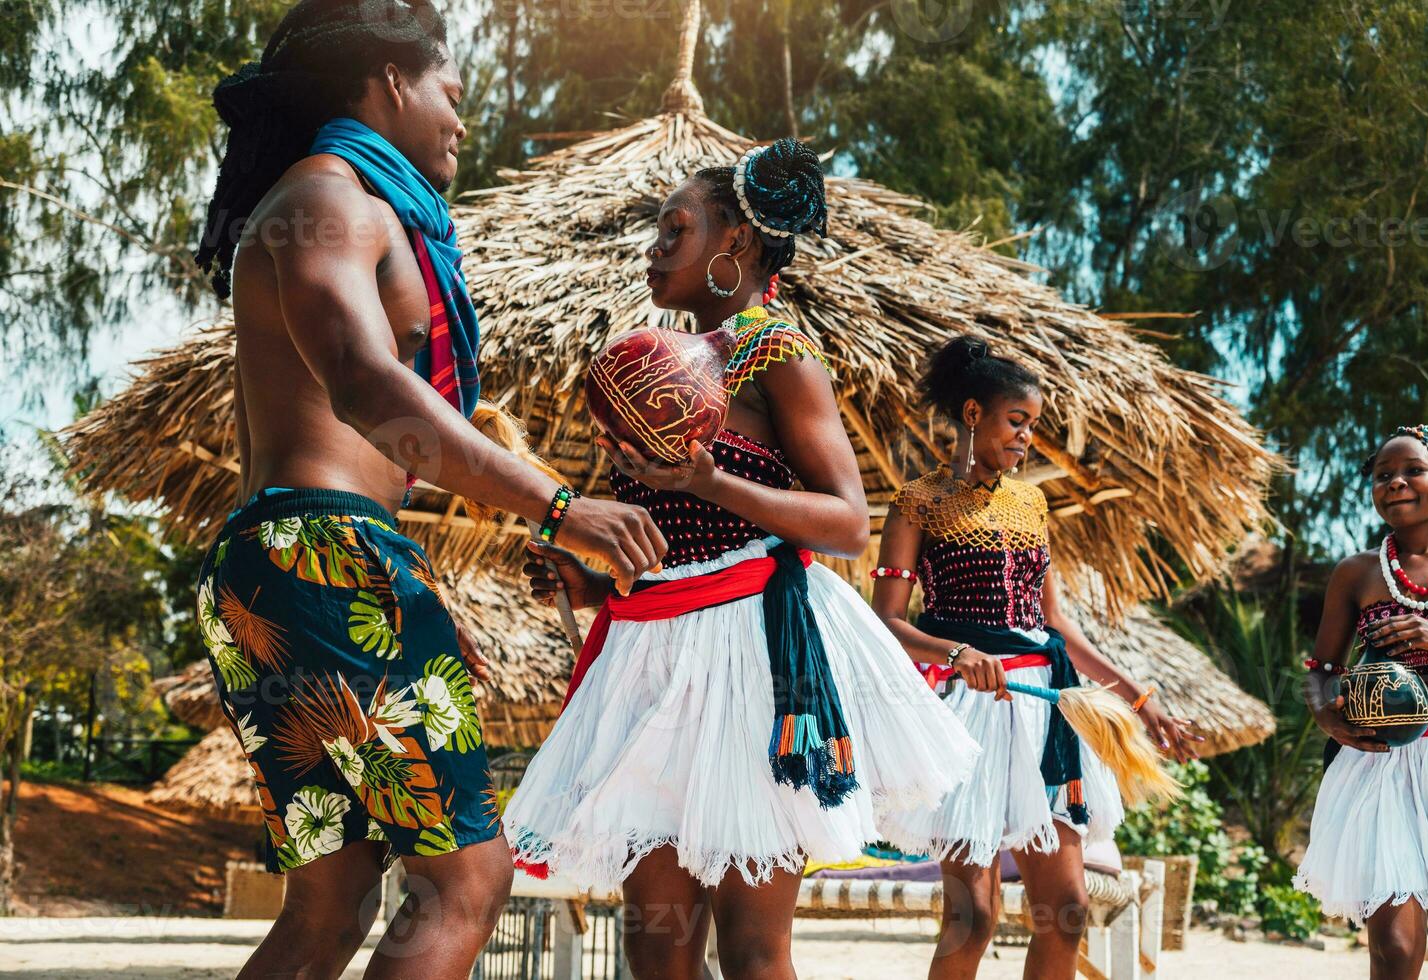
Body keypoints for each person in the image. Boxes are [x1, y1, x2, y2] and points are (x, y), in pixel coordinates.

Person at [190, 2, 666, 977]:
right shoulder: (335, 200)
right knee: (466, 879)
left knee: (332, 899)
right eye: (452, 93)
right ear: (392, 81)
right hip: (326, 552)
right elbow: (367, 387)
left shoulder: (321, 202)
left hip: (291, 563)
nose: (461, 120)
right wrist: (561, 507)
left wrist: (408, 598)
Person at [506, 139, 978, 980]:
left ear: (738, 244)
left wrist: (711, 479)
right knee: (655, 947)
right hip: (648, 654)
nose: (654, 249)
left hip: (750, 657)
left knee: (754, 953)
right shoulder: (647, 367)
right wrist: (581, 568)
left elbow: (844, 522)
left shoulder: (779, 354)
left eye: (675, 229)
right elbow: (657, 527)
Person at [870, 336, 1200, 980]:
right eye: (1017, 422)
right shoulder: (919, 502)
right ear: (973, 414)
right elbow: (885, 621)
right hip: (966, 712)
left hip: (1048, 711)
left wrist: (1140, 700)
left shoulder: (1032, 504)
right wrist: (957, 652)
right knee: (976, 915)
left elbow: (1055, 625)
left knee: (1068, 908)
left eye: (1033, 427)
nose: (1026, 439)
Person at [1295, 424, 1428, 979]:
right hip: (1384, 767)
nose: (1394, 482)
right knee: (1394, 949)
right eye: (1381, 476)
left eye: (1412, 470)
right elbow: (1322, 671)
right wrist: (1328, 715)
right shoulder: (1356, 573)